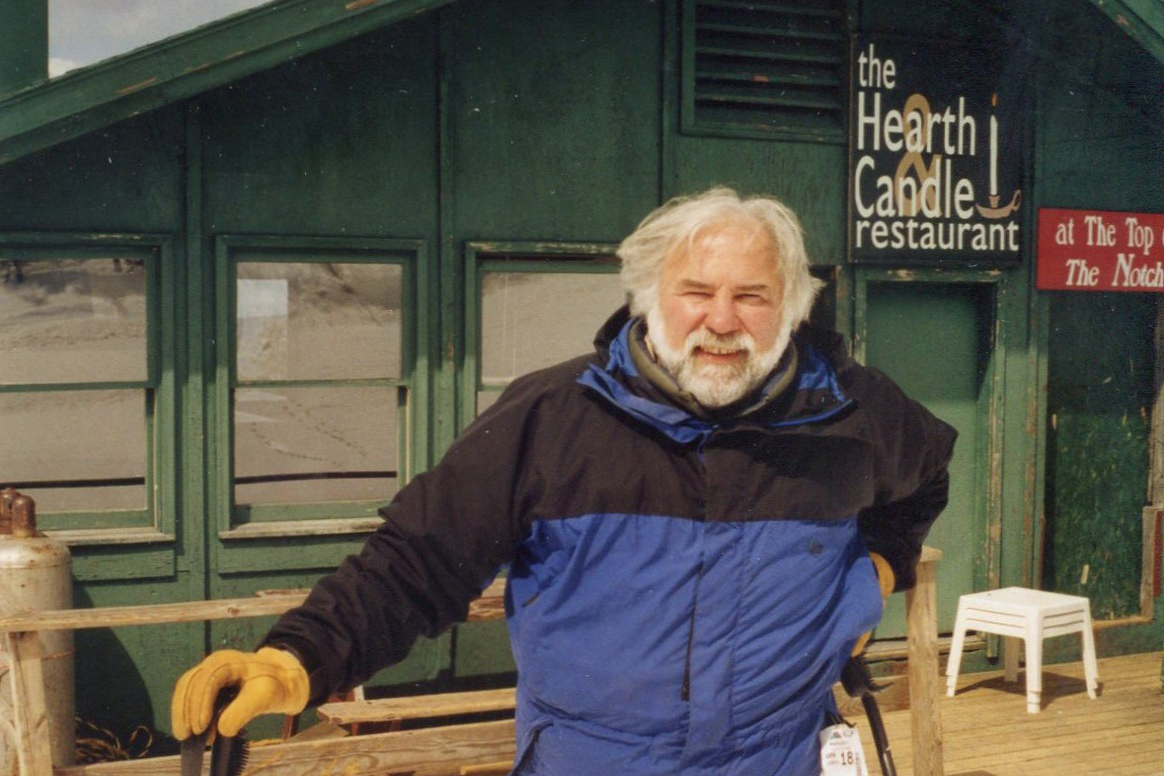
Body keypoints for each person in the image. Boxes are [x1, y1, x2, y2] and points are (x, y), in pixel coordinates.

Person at [172, 187, 956, 776]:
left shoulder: (852, 412)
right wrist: (299, 658)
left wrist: (877, 572)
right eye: (696, 293)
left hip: (781, 756)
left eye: (751, 296)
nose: (722, 320)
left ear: (788, 307)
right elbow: (417, 561)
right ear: (649, 299)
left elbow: (926, 474)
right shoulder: (551, 417)